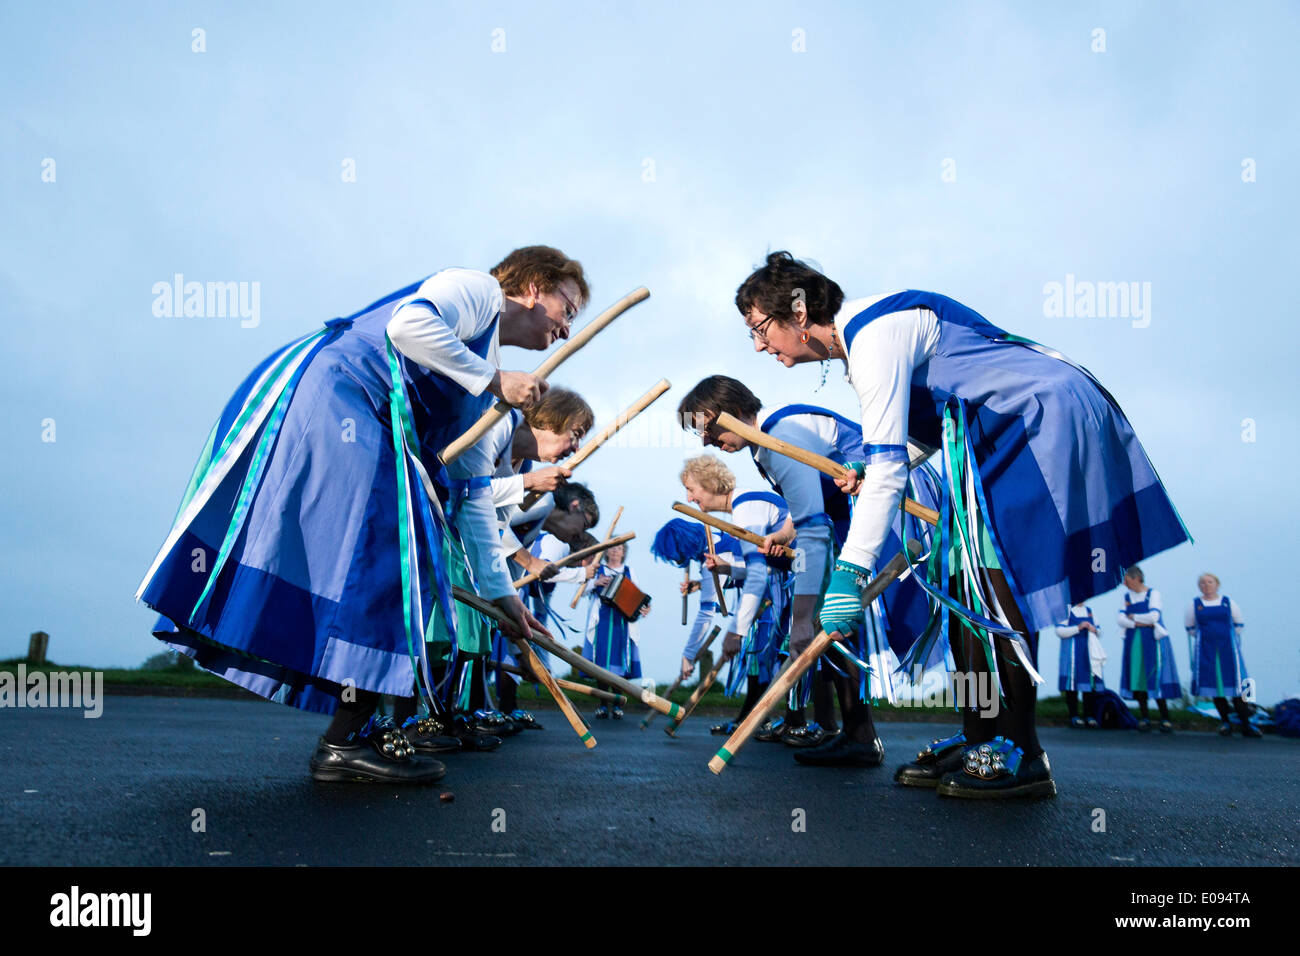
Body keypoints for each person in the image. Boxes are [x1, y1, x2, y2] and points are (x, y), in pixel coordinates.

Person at [731, 252, 1189, 798]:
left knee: (997, 578)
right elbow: (915, 437)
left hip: (1033, 415)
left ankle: (1022, 749)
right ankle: (980, 734)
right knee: (959, 580)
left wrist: (849, 572)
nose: (759, 346)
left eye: (760, 329)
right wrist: (865, 465)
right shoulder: (864, 347)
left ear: (799, 312)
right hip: (983, 436)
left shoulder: (873, 335)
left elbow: (888, 474)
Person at [137, 247, 590, 783]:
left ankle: (355, 730)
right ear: (535, 287)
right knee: (393, 552)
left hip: (365, 418)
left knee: (405, 556)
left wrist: (502, 596)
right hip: (339, 393)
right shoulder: (477, 291)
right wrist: (494, 380)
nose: (568, 327)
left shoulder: (488, 403)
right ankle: (344, 739)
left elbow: (471, 502)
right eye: (569, 306)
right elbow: (409, 326)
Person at [678, 375, 942, 765]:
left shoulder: (779, 437)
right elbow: (806, 519)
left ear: (732, 412)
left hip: (893, 504)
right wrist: (783, 535)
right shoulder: (764, 446)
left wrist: (800, 620)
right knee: (839, 621)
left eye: (706, 429)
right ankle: (857, 734)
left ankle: (867, 737)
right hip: (853, 517)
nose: (704, 441)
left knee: (834, 617)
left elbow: (814, 531)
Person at [678, 454, 795, 737]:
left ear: (709, 484)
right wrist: (729, 568)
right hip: (790, 579)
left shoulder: (746, 507)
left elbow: (758, 574)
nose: (690, 498)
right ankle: (791, 723)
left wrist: (736, 631)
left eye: (692, 490)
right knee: (789, 653)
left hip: (801, 577)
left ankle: (800, 724)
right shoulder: (743, 507)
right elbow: (760, 566)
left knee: (795, 651)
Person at [1186, 573, 1260, 738]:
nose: (1206, 585)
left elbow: (1239, 624)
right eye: (1203, 583)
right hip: (1206, 651)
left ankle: (1246, 725)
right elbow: (1190, 627)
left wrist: (1226, 637)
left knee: (1237, 687)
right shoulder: (1194, 604)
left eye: (1210, 582)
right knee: (1216, 687)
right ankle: (1225, 722)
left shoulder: (1228, 603)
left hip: (1228, 651)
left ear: (1217, 584)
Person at [583, 541, 650, 718]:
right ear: (607, 552)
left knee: (620, 662)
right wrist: (596, 582)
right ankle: (603, 705)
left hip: (623, 622)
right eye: (612, 548)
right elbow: (582, 591)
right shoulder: (597, 569)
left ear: (623, 553)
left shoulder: (629, 571)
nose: (615, 551)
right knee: (601, 663)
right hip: (602, 620)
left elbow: (639, 596)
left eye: (619, 548)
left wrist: (645, 607)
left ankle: (618, 705)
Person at [1118, 565, 1181, 733]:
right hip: (1134, 641)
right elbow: (1120, 619)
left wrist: (1133, 617)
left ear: (1136, 578)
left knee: (1155, 675)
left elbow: (1155, 616)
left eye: (1126, 580)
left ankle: (1165, 718)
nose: (1124, 584)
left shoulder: (1153, 594)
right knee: (1137, 677)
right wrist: (1136, 622)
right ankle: (1145, 718)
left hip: (1152, 641)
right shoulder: (1128, 596)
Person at [1055, 604, 1105, 727]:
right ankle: (1074, 716)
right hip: (1072, 654)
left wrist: (1094, 629)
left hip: (1088, 654)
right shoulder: (1065, 610)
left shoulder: (1089, 610)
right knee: (1072, 686)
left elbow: (1100, 630)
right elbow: (1060, 631)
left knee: (1089, 685)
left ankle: (1089, 716)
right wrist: (1078, 627)